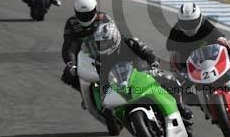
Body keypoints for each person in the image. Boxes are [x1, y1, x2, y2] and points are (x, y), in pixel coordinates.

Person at [63, 17, 193, 121]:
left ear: (114, 38)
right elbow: (102, 77)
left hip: (142, 73)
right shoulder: (100, 59)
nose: (103, 46)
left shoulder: (130, 43)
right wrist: (105, 93)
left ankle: (181, 108)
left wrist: (153, 64)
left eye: (106, 42)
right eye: (100, 44)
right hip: (122, 83)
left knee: (169, 80)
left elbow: (148, 54)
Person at [166, 2, 230, 103]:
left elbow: (222, 40)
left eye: (192, 23)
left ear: (199, 19)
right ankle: (187, 106)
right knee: (176, 90)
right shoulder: (176, 31)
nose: (189, 27)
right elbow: (172, 51)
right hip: (190, 64)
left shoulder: (206, 26)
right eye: (185, 23)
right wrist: (179, 71)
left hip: (211, 57)